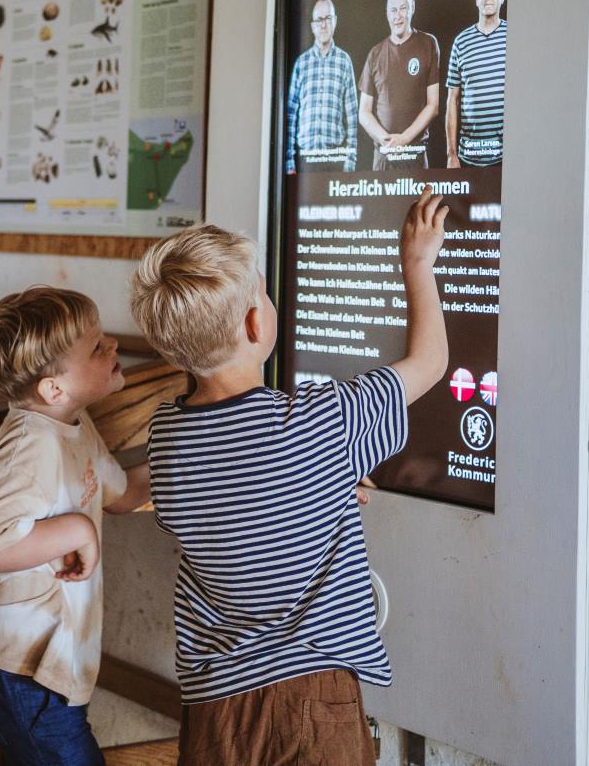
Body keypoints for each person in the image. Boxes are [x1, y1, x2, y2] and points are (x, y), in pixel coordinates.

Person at [129, 192, 449, 766]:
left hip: (216, 708)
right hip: (314, 698)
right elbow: (429, 363)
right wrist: (418, 264)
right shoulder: (322, 420)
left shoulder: (167, 437)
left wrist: (325, 487)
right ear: (256, 322)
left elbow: (235, 499)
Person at [0, 286, 152, 765]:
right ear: (53, 389)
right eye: (97, 347)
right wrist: (78, 530)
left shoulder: (73, 425)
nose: (114, 345)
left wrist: (191, 454)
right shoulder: (29, 445)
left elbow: (123, 495)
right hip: (24, 677)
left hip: (52, 674)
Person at [359, 0, 440, 169]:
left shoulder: (428, 44)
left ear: (413, 7)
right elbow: (364, 112)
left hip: (415, 155)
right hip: (383, 157)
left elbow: (433, 105)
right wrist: (386, 140)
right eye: (393, 10)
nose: (398, 16)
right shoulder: (375, 54)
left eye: (403, 8)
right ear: (387, 13)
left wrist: (404, 139)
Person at [286, 0, 359, 173]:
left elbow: (352, 115)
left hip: (335, 160)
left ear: (335, 21)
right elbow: (290, 114)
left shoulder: (344, 61)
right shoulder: (301, 63)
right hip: (304, 160)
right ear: (312, 26)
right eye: (319, 20)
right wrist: (289, 160)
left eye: (328, 18)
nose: (324, 25)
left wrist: (350, 161)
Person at [446, 0, 509, 167]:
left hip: (505, 159)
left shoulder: (514, 36)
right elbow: (453, 100)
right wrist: (451, 154)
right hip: (468, 157)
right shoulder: (461, 42)